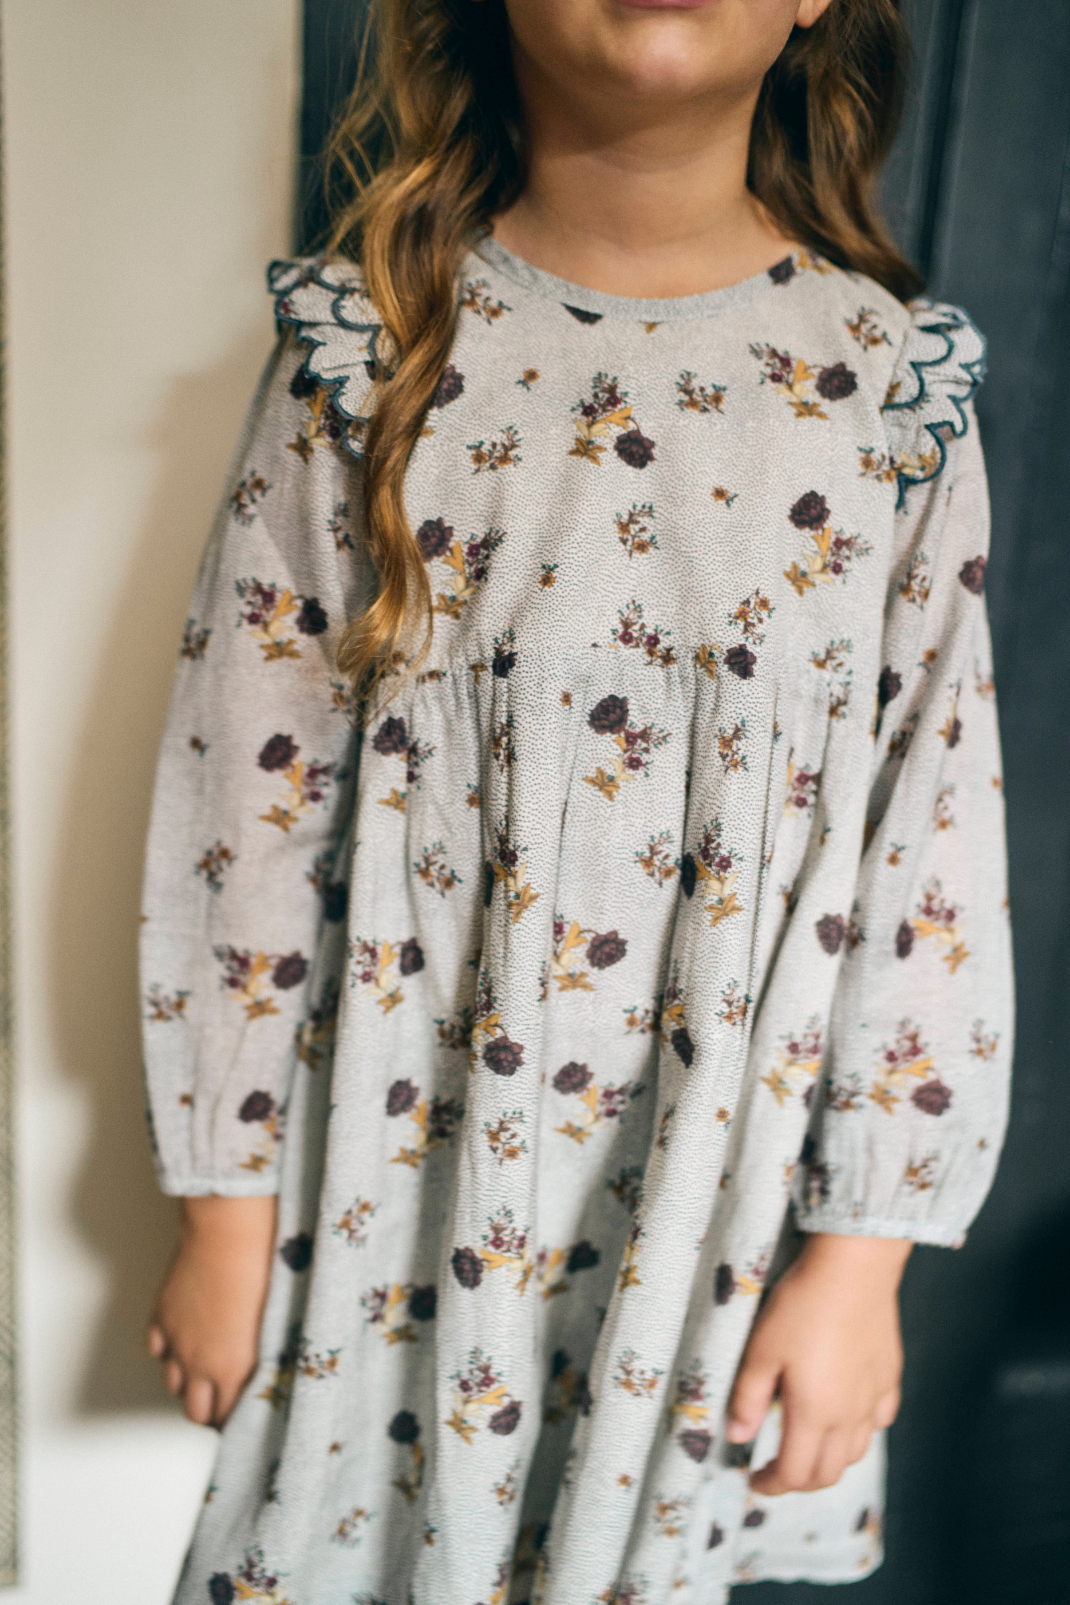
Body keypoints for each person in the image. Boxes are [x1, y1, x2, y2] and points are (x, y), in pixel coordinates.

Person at [140, 0, 1013, 1600]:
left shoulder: (885, 390)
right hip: (395, 1200)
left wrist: (865, 1252)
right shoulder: (372, 349)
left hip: (712, 1214)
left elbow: (931, 836)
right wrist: (221, 1205)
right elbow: (237, 809)